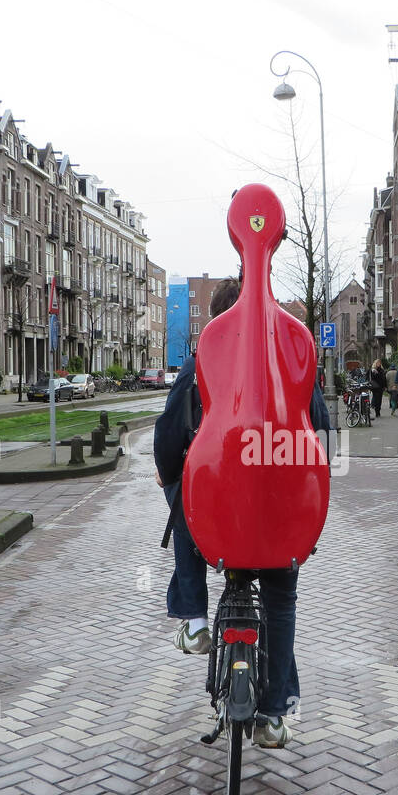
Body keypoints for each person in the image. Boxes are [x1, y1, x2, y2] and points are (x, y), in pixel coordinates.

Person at [153, 278, 331, 749]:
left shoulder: (199, 366)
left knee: (183, 492)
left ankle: (194, 619)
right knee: (279, 599)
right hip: (282, 519)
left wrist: (168, 471)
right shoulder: (293, 366)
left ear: (218, 323)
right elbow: (323, 440)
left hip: (218, 523)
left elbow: (168, 438)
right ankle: (274, 716)